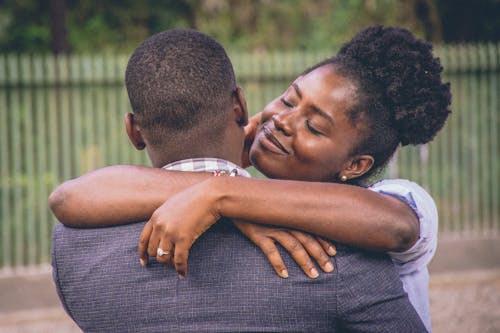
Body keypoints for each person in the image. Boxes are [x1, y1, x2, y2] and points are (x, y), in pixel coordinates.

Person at [50, 28, 427, 332]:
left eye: (313, 126)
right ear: (241, 106)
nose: (282, 120)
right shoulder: (340, 257)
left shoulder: (385, 208)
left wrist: (223, 191)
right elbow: (66, 198)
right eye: (289, 99)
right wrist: (222, 191)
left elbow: (397, 226)